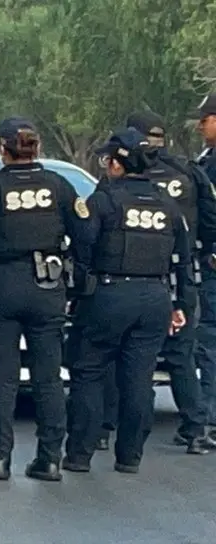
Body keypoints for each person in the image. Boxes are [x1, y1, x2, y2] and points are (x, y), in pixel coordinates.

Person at [0, 117, 88, 482]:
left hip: (2, 285)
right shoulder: (60, 187)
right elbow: (85, 236)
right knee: (48, 377)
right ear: (37, 149)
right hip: (48, 285)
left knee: (4, 377)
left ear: (2, 150)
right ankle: (50, 459)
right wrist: (76, 284)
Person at [63, 128, 192, 474]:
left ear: (119, 164)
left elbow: (81, 245)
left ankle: (79, 453)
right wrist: (180, 306)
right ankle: (130, 455)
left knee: (89, 373)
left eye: (108, 160)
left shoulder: (104, 200)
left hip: (108, 294)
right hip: (155, 298)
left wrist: (76, 292)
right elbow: (182, 260)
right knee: (138, 378)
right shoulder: (167, 205)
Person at [122, 110, 216, 453]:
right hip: (182, 276)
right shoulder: (190, 173)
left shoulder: (127, 173)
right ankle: (195, 428)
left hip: (131, 278)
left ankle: (117, 427)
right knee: (182, 354)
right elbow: (210, 220)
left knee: (130, 353)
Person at [194, 94, 216, 445]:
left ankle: (210, 416)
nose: (200, 125)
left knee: (210, 338)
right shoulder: (206, 159)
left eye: (206, 118)